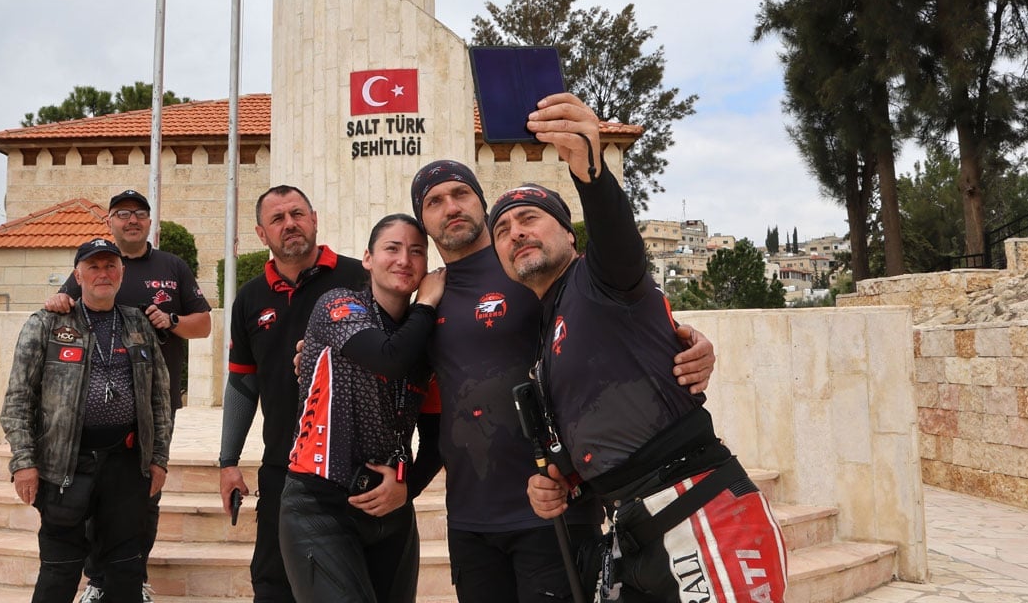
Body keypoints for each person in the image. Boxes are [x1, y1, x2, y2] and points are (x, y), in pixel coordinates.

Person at [492, 93, 787, 603]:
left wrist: (591, 170)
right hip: (633, 532)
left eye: (530, 219)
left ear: (569, 234)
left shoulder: (603, 277)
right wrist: (560, 481)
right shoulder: (548, 330)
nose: (516, 233)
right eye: (502, 230)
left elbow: (615, 231)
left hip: (702, 511)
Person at [407, 160, 718, 603]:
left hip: (554, 508)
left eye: (461, 194)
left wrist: (687, 340)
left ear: (480, 200)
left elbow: (620, 313)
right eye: (434, 201)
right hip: (470, 516)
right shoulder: (422, 293)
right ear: (423, 220)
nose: (450, 207)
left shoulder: (528, 265)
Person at [46, 189, 212, 602]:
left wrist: (172, 320)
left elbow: (204, 325)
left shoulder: (172, 266)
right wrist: (56, 300)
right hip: (92, 409)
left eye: (139, 213)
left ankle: (132, 576)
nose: (132, 220)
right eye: (122, 214)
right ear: (110, 222)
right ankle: (98, 580)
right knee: (90, 495)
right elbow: (65, 303)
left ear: (149, 222)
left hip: (154, 403)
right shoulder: (93, 262)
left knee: (145, 495)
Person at [279, 214, 446, 603]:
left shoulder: (427, 338)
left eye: (416, 251)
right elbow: (388, 358)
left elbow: (438, 437)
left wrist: (407, 489)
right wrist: (430, 302)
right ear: (368, 259)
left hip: (391, 512)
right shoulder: (339, 305)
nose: (404, 259)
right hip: (319, 505)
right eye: (392, 248)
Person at [0, 238, 172, 603]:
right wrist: (23, 463)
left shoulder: (138, 323)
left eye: (111, 266)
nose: (103, 274)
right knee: (59, 569)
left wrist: (158, 459)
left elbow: (160, 399)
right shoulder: (46, 324)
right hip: (66, 466)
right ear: (77, 276)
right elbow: (18, 399)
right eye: (93, 267)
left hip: (125, 466)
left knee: (126, 568)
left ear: (122, 275)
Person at [219, 185, 369, 602]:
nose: (290, 225)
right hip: (282, 467)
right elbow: (243, 383)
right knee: (273, 583)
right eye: (278, 219)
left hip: (353, 469)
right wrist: (228, 462)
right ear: (261, 234)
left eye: (297, 214)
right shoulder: (250, 298)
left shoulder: (359, 278)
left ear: (314, 219)